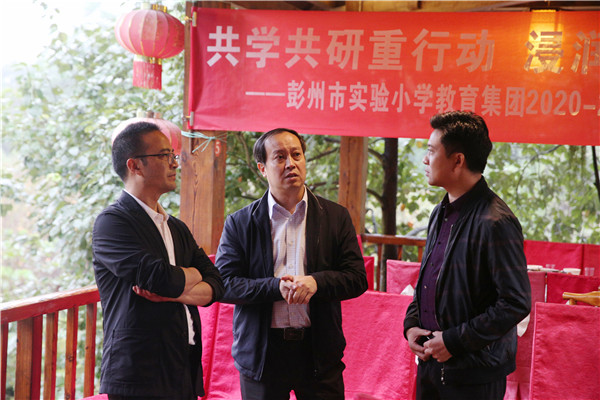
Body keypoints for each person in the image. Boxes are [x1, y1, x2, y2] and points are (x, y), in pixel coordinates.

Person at [215, 128, 368, 400]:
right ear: (262, 168)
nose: (291, 163)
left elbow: (357, 278)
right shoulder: (240, 222)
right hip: (262, 355)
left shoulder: (335, 217)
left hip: (318, 352)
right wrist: (275, 288)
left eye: (296, 155)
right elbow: (224, 284)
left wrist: (316, 282)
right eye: (280, 157)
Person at [403, 111, 532, 400]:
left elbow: (515, 302)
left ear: (458, 160)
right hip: (432, 366)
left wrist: (453, 341)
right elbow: (428, 282)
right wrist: (411, 326)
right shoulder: (440, 212)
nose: (425, 160)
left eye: (431, 151)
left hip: (474, 375)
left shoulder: (496, 221)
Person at [92, 121, 224, 400]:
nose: (175, 163)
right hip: (138, 370)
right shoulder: (112, 222)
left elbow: (216, 283)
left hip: (183, 362)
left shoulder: (176, 227)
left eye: (173, 156)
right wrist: (193, 274)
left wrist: (178, 291)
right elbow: (159, 278)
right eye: (164, 156)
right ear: (135, 166)